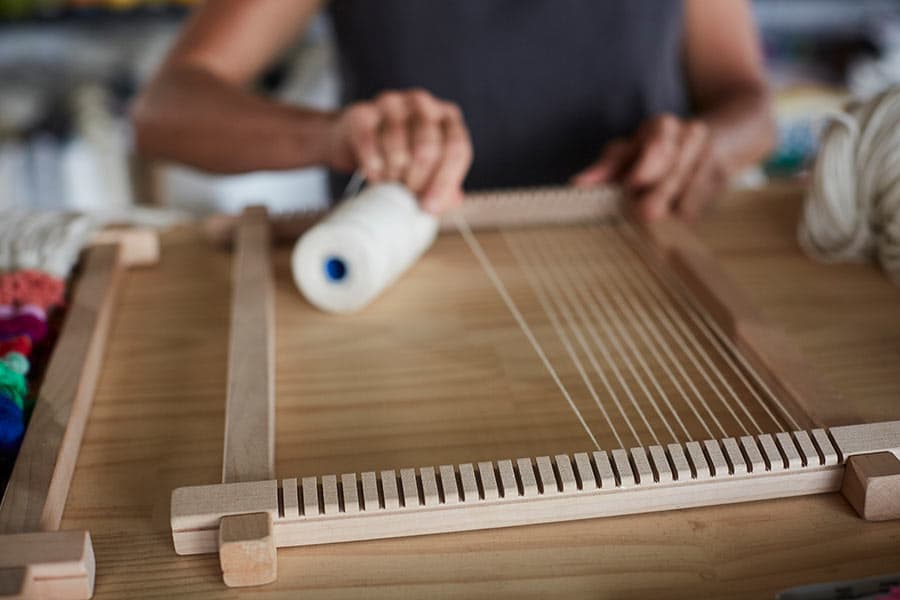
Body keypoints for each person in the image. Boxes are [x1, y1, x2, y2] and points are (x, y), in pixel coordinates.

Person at [132, 0, 776, 221]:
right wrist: (332, 134)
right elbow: (166, 109)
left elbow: (747, 102)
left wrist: (706, 149)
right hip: (406, 276)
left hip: (643, 257)